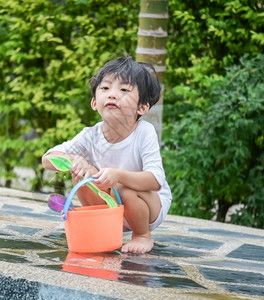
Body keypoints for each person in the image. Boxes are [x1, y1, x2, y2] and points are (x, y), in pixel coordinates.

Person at [42, 56, 172, 253]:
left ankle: (142, 236)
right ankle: (103, 226)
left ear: (142, 107)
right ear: (94, 102)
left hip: (149, 207)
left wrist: (118, 175)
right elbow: (47, 159)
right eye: (105, 88)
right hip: (113, 207)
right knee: (81, 175)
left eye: (124, 90)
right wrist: (73, 161)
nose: (112, 95)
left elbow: (155, 180)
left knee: (124, 186)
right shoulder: (90, 135)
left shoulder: (144, 132)